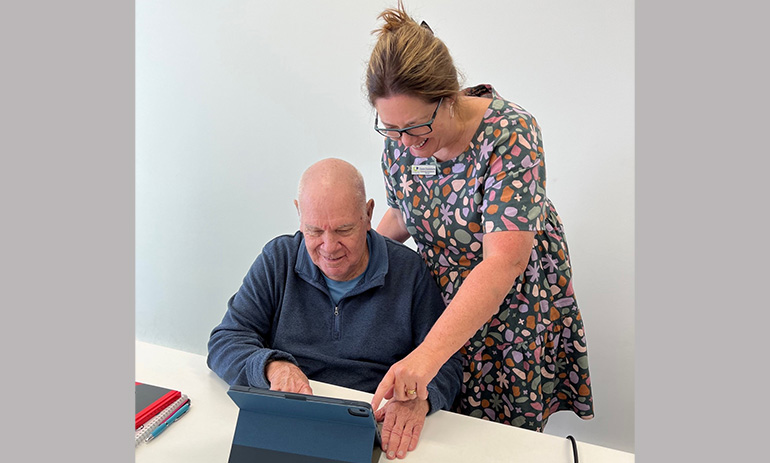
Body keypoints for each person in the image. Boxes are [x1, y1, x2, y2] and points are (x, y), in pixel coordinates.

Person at [365, 2, 594, 432]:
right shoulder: (402, 136)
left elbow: (503, 262)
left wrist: (427, 357)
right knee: (444, 428)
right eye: (390, 129)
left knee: (498, 438)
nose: (405, 143)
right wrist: (356, 253)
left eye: (415, 127)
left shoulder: (511, 134)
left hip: (510, 308)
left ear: (449, 97)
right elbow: (404, 209)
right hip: (440, 301)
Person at [207, 158, 462, 459]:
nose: (329, 247)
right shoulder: (279, 259)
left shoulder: (409, 272)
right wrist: (272, 366)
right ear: (299, 215)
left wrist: (421, 398)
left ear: (368, 214)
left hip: (373, 423)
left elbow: (447, 365)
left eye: (343, 230)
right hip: (289, 417)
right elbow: (225, 339)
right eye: (314, 231)